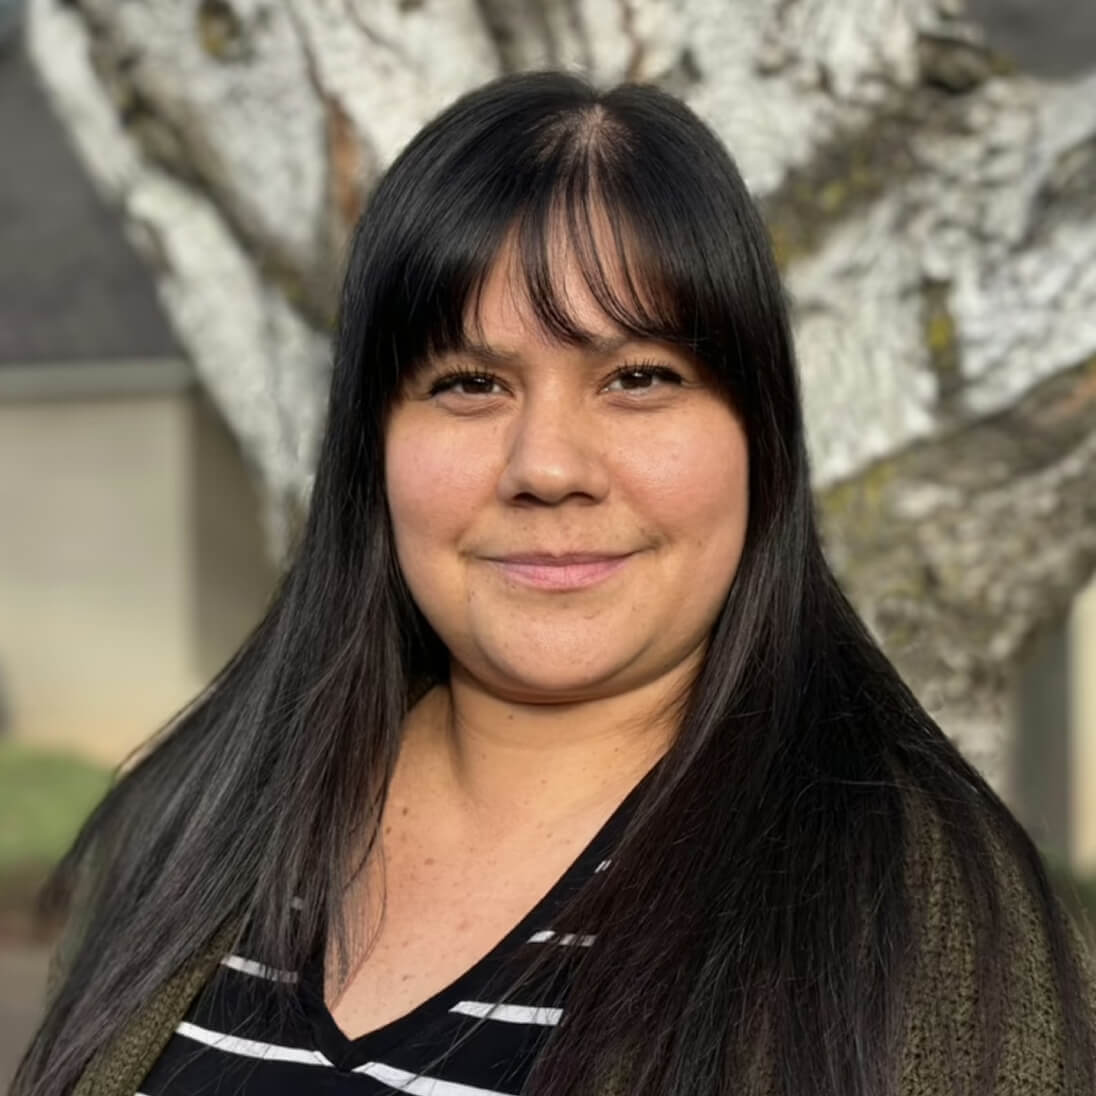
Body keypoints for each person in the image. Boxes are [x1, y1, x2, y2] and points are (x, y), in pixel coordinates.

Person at [13, 70, 1096, 1096]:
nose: (547, 468)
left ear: (758, 438)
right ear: (372, 445)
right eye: (470, 383)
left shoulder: (924, 920)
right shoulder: (187, 832)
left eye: (638, 378)